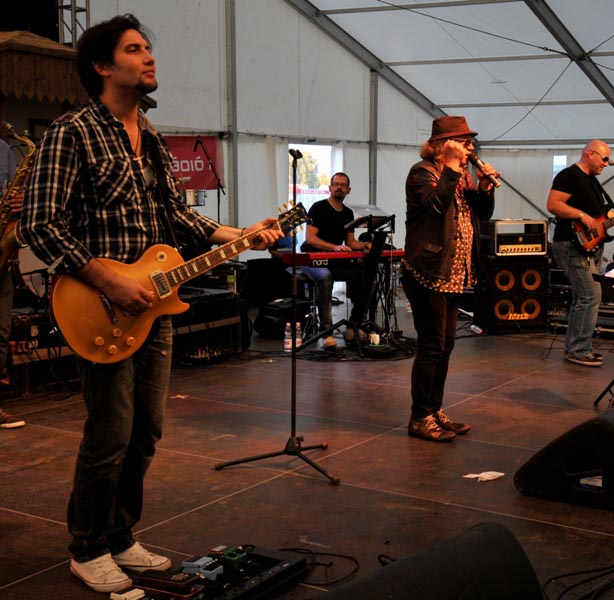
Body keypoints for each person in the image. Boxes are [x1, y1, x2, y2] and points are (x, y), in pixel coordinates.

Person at [17, 15, 281, 593]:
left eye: (147, 49)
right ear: (102, 66)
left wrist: (242, 234)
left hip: (153, 306)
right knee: (110, 432)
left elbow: (178, 218)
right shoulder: (73, 132)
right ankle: (87, 548)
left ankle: (119, 536)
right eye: (134, 50)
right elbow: (40, 225)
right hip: (98, 303)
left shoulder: (152, 138)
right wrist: (109, 281)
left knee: (146, 432)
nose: (149, 58)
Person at [402, 115, 497, 442]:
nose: (471, 147)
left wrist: (484, 187)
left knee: (446, 346)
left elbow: (482, 213)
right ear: (444, 145)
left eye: (471, 142)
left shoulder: (461, 175)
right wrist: (454, 168)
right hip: (427, 272)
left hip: (454, 273)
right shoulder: (422, 172)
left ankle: (434, 410)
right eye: (464, 142)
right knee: (431, 346)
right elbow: (436, 206)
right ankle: (419, 418)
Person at [546, 140, 614, 367]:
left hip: (591, 246)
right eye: (604, 158)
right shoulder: (569, 176)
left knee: (582, 298)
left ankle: (575, 347)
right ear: (590, 154)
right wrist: (581, 216)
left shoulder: (593, 181)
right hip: (572, 244)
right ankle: (579, 350)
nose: (607, 164)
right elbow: (553, 204)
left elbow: (602, 215)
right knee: (591, 296)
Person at [300, 172, 371, 347]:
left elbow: (350, 242)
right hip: (311, 259)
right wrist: (334, 247)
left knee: (365, 276)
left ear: (348, 190)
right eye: (336, 184)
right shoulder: (318, 208)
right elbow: (310, 238)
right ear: (330, 187)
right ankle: (326, 333)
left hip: (334, 259)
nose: (339, 187)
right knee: (325, 277)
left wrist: (367, 245)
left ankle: (354, 325)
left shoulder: (347, 213)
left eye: (343, 185)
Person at [0, 136, 25, 428]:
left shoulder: (4, 149)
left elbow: (14, 191)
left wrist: (21, 201)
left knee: (1, 332)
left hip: (1, 256)